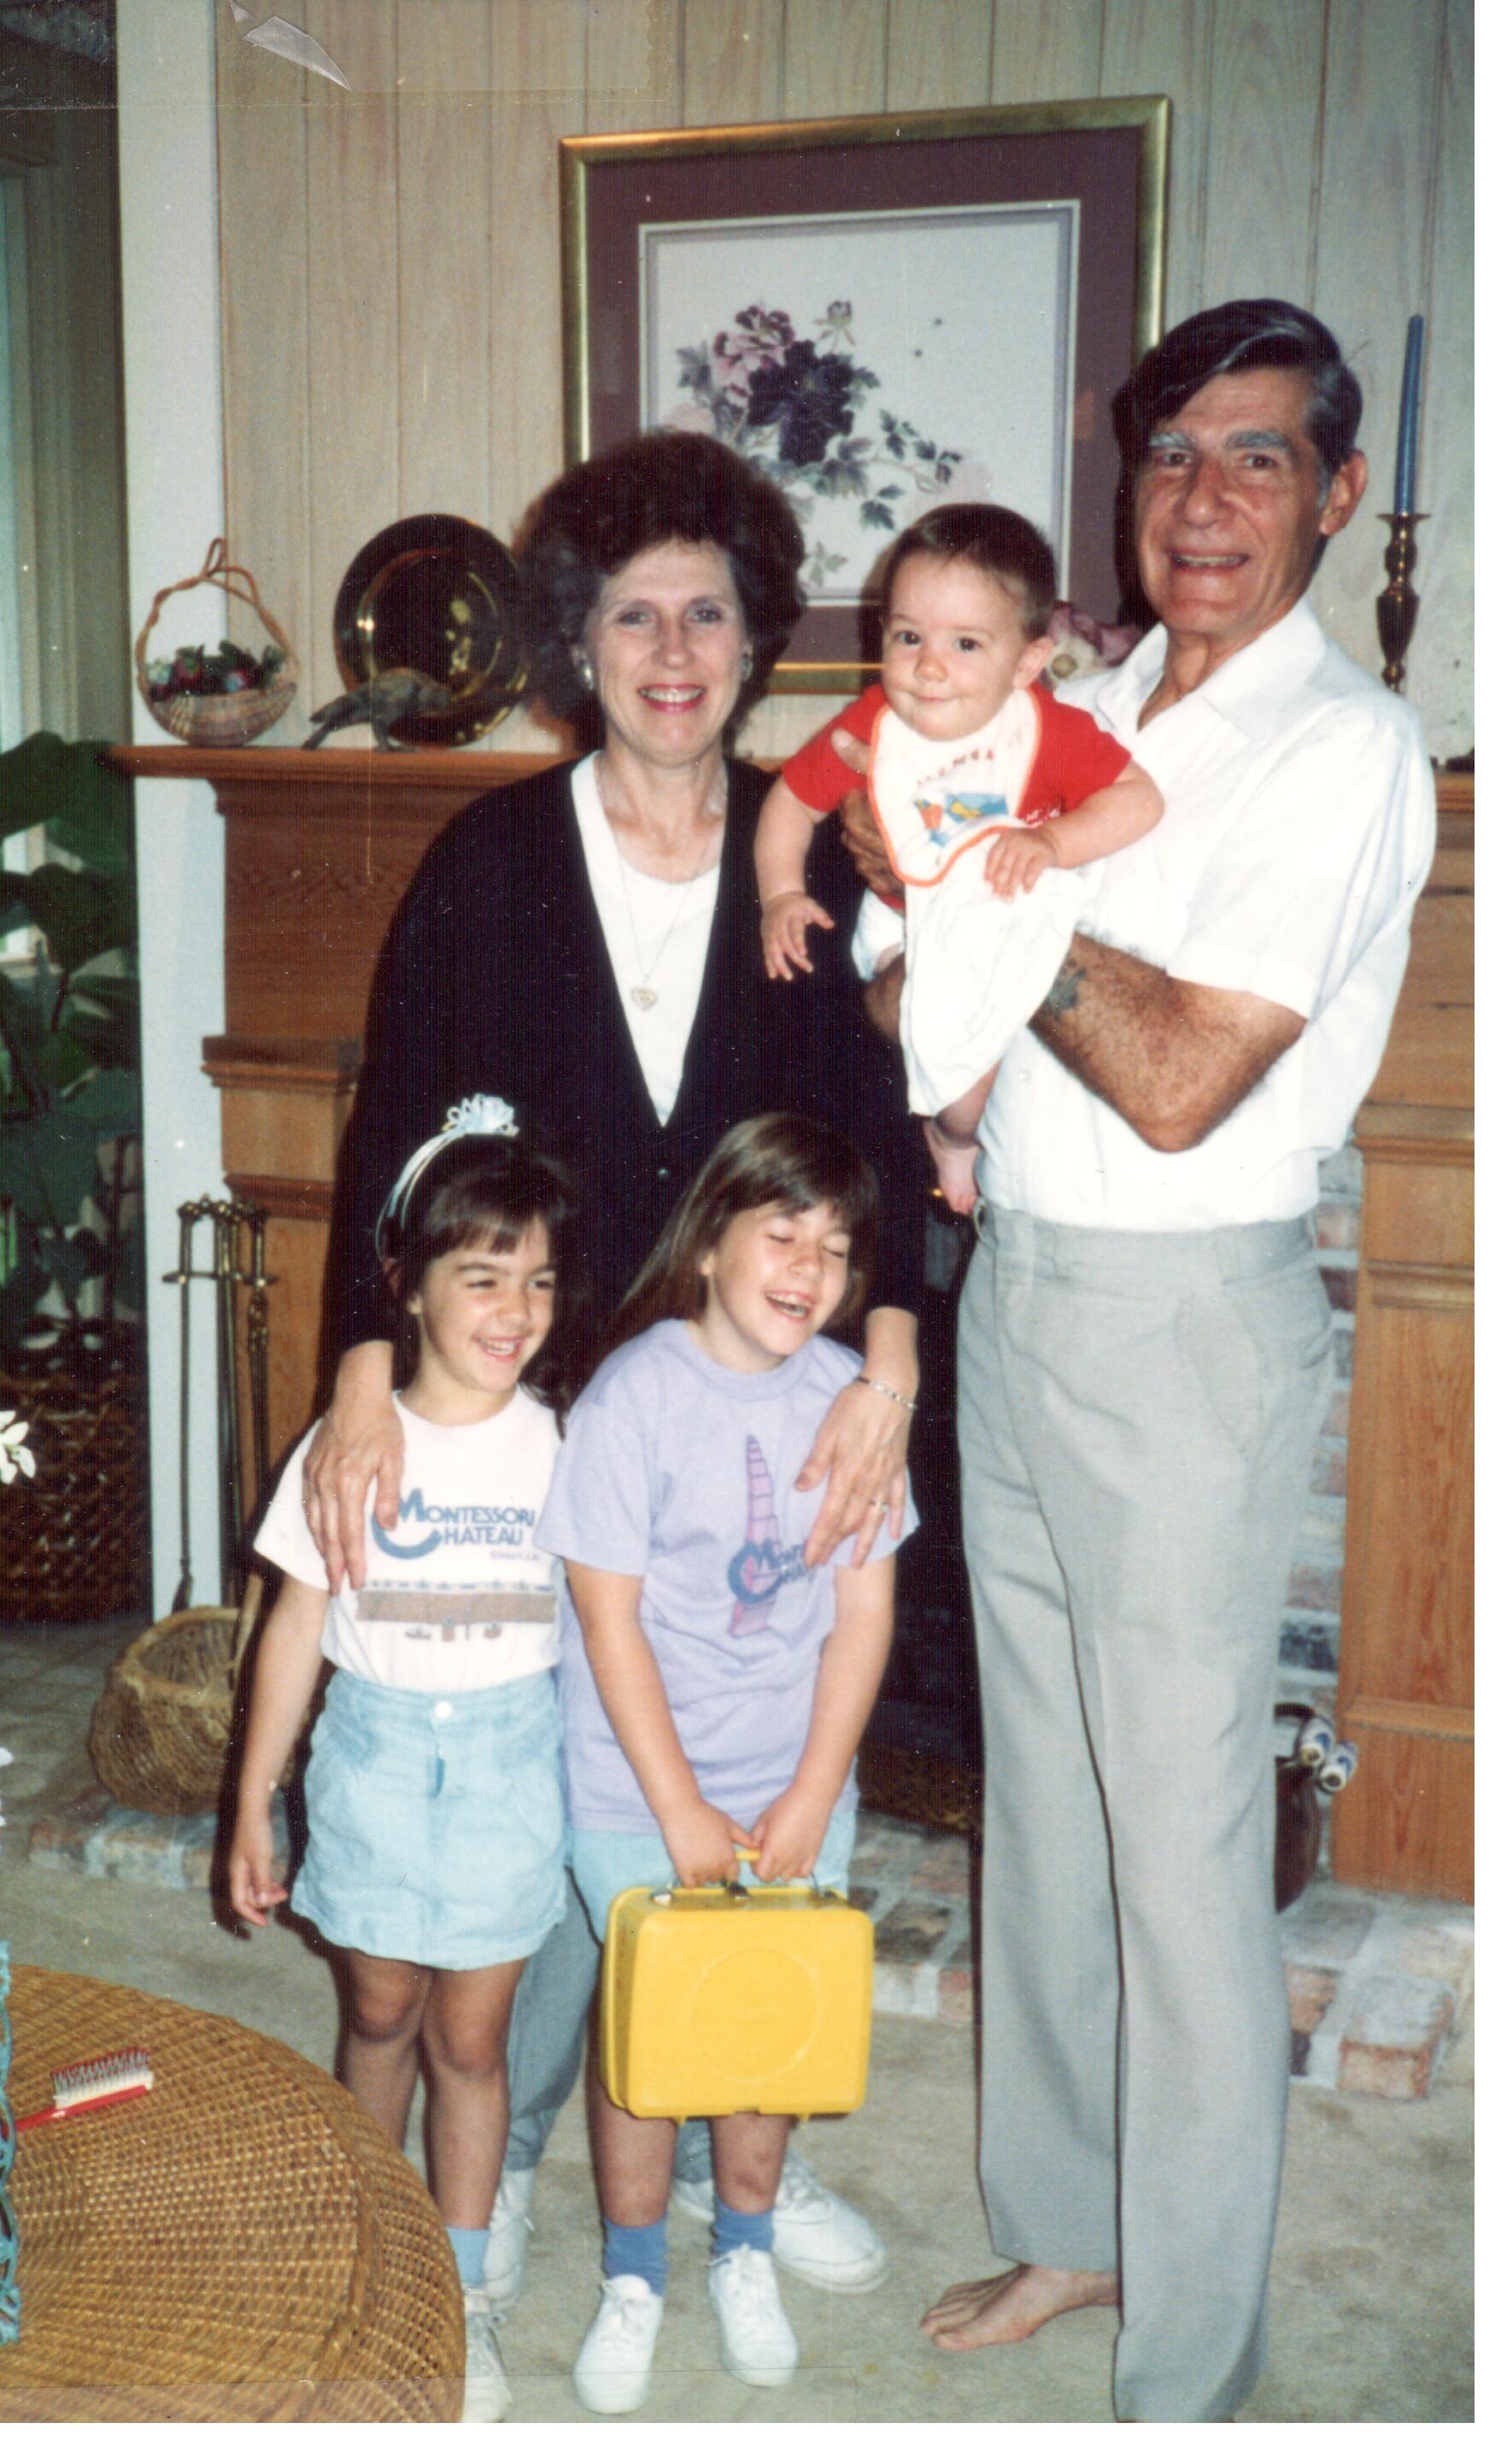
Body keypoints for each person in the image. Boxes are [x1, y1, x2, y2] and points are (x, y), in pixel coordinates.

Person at [847, 301, 1435, 2420]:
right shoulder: (1070, 700)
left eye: (1258, 456)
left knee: (1181, 1839)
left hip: (1187, 1317)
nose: (1203, 498)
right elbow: (903, 964)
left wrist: (993, 905)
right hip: (1017, 1285)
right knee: (1046, 1799)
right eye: (1173, 452)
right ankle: (1071, 2221)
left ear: (1337, 491)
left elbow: (1183, 1076)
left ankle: (1193, 2358)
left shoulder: (1344, 749)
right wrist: (935, 942)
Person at [303, 429, 925, 2324]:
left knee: (751, 1751)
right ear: (580, 640)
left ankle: (757, 2138)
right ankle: (500, 2160)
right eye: (635, 616)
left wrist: (891, 1357)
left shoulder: (814, 859)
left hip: (748, 1410)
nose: (672, 653)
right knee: (549, 1795)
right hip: (531, 1402)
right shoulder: (491, 860)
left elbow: (880, 1139)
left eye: (707, 616)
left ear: (755, 643)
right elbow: (393, 1136)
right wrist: (358, 1368)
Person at [535, 1115, 917, 2413]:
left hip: (789, 1780)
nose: (812, 1267)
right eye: (784, 1232)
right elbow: (607, 1619)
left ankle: (743, 2247)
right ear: (708, 1241)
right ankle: (634, 2273)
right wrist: (680, 1807)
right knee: (653, 2039)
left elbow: (863, 1614)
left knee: (764, 2027)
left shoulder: (852, 1407)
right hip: (641, 1785)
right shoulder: (632, 1396)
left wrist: (812, 1791)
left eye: (838, 1247)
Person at [228, 1116, 588, 2421]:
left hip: (509, 1762)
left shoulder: (561, 1445)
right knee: (380, 2014)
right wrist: (253, 1802)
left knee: (471, 2040)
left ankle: (460, 2289)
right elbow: (296, 1627)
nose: (516, 1309)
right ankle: (369, 2251)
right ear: (411, 1286)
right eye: (482, 1276)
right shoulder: (349, 1445)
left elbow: (608, 1627)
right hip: (374, 1758)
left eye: (537, 1279)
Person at [754, 505, 1164, 1198]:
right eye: (909, 636)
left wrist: (1052, 840)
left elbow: (1140, 799)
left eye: (967, 644)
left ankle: (964, 1128)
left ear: (1027, 661)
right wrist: (782, 894)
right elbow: (791, 800)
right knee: (966, 1085)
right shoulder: (875, 724)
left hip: (1000, 910)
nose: (930, 666)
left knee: (1002, 1046)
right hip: (903, 920)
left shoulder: (1048, 731)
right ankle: (953, 1137)